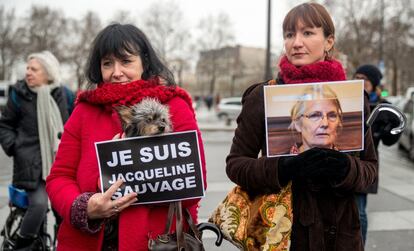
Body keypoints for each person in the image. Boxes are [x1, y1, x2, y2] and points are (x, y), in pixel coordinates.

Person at [225, 2, 377, 250]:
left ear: (329, 41)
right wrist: (283, 168)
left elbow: (370, 170)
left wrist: (345, 167)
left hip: (341, 238)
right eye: (289, 34)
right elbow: (236, 165)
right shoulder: (262, 96)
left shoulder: (353, 98)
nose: (296, 42)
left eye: (307, 33)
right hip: (282, 236)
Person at [45, 23, 206, 251]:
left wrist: (131, 168)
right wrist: (85, 207)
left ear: (145, 62)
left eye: (126, 61)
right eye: (107, 63)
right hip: (87, 242)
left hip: (156, 242)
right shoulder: (84, 111)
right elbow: (59, 177)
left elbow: (193, 186)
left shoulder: (174, 106)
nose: (116, 72)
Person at [0, 50, 72, 250]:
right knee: (39, 205)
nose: (28, 72)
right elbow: (5, 125)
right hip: (30, 164)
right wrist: (15, 146)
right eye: (28, 68)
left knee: (65, 210)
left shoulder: (64, 94)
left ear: (48, 73)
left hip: (60, 163)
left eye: (34, 69)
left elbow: (76, 124)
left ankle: (63, 244)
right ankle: (22, 244)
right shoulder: (19, 94)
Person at [354, 64, 402, 244]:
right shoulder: (348, 100)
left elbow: (390, 139)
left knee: (359, 212)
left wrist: (386, 130)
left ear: (373, 83)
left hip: (366, 163)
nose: (360, 81)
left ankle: (360, 246)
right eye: (357, 77)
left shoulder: (381, 107)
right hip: (344, 161)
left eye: (364, 79)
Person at [289, 85, 343, 154]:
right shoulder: (280, 163)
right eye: (314, 116)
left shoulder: (351, 161)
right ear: (298, 124)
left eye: (332, 116)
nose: (325, 123)